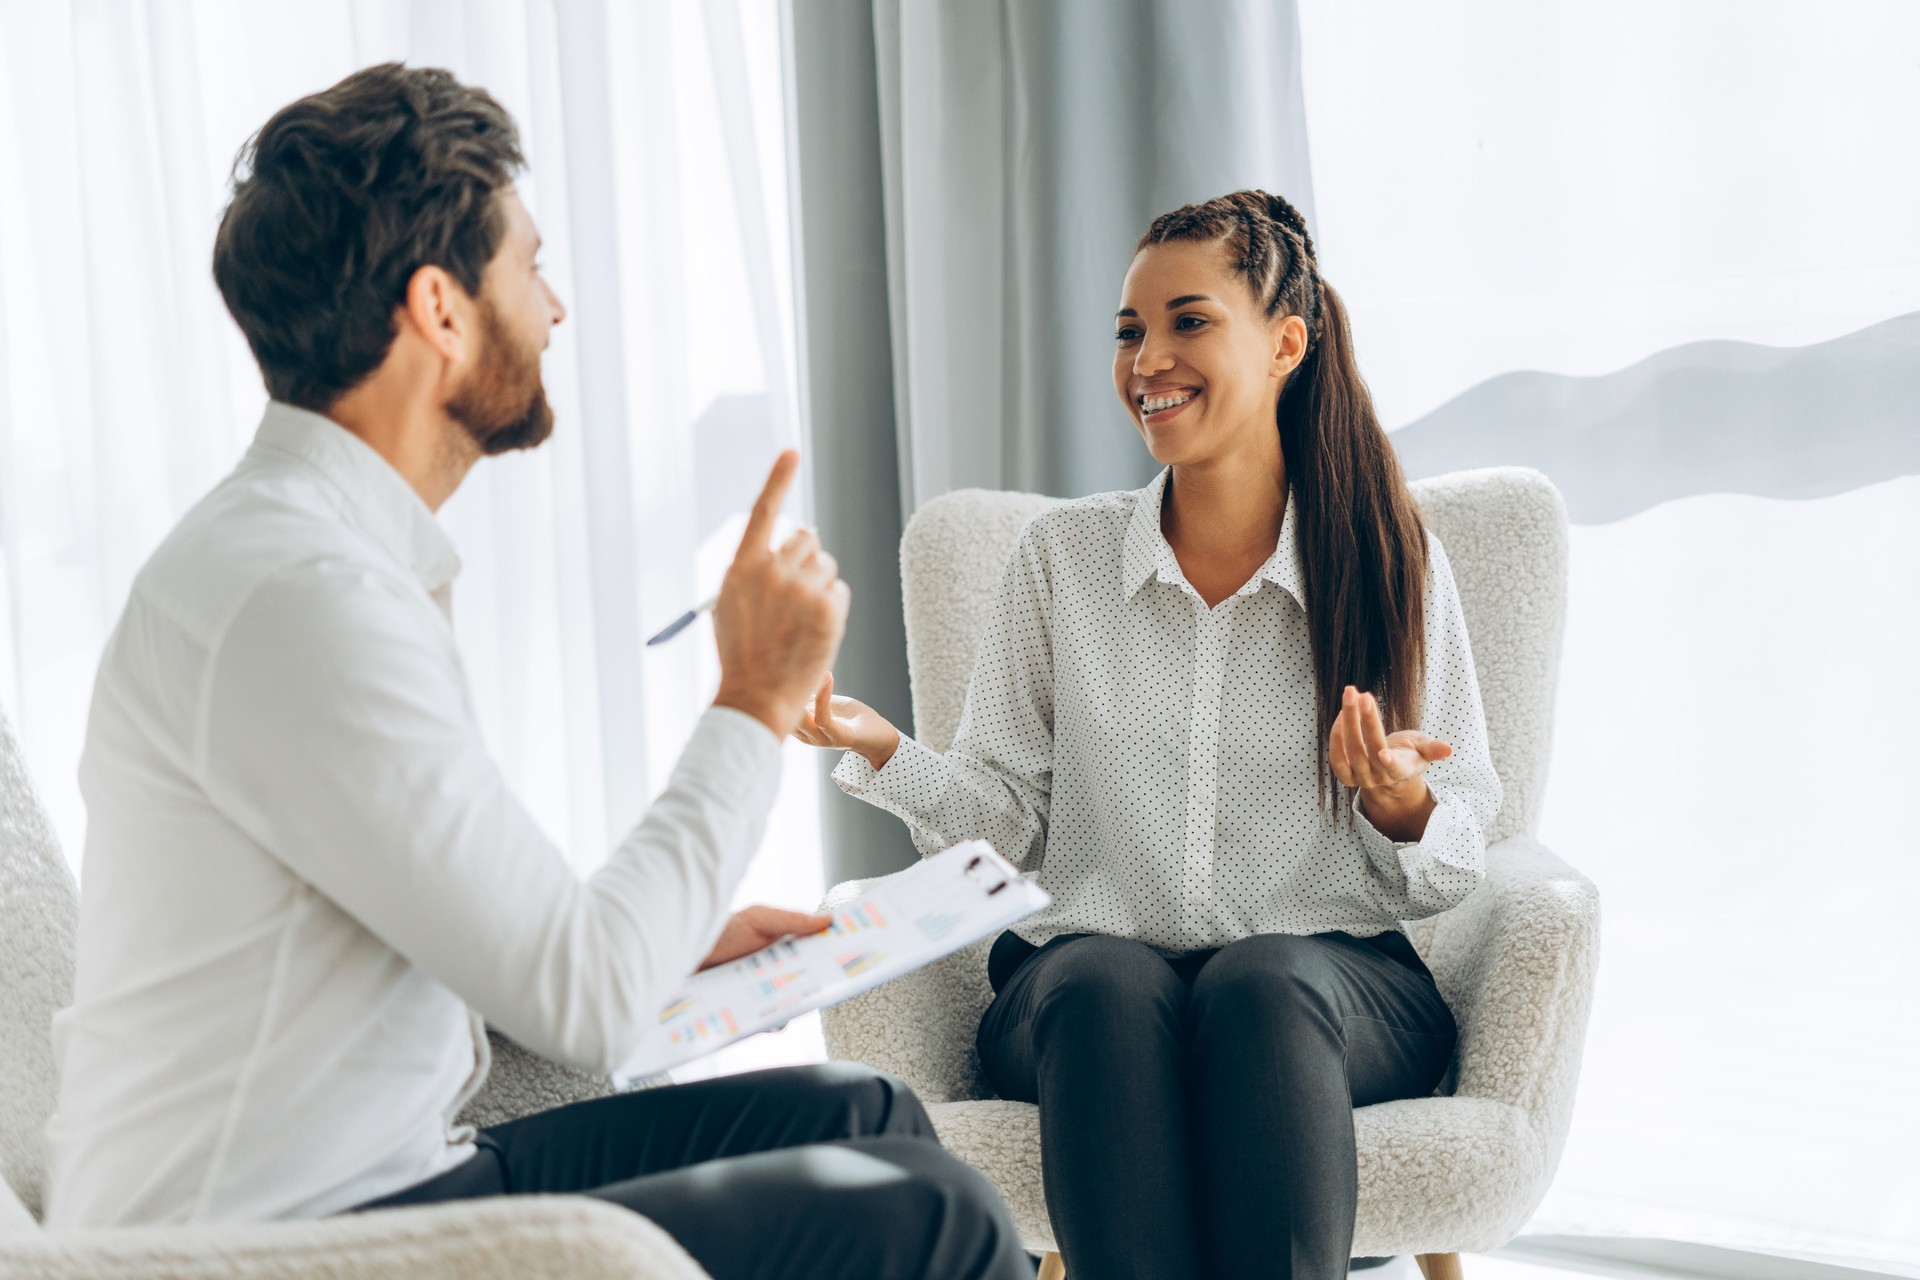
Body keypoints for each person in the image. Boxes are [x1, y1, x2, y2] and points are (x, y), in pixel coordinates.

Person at [44, 62, 1029, 1280]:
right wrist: (754, 697)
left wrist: (672, 940)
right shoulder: (302, 596)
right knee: (933, 1215)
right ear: (440, 310)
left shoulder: (314, 555)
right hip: (277, 1241)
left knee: (867, 1119)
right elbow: (587, 1001)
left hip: (395, 1167)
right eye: (529, 265)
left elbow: (487, 939)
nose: (555, 308)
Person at [796, 190, 1503, 1280]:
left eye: (1187, 321)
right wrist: (887, 747)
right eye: (1129, 329)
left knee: (1258, 984)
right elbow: (1015, 828)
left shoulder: (1387, 559)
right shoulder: (1058, 561)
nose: (1146, 358)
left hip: (1333, 985)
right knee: (1108, 982)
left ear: (1285, 343)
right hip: (1085, 994)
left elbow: (1456, 857)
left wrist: (1398, 804)